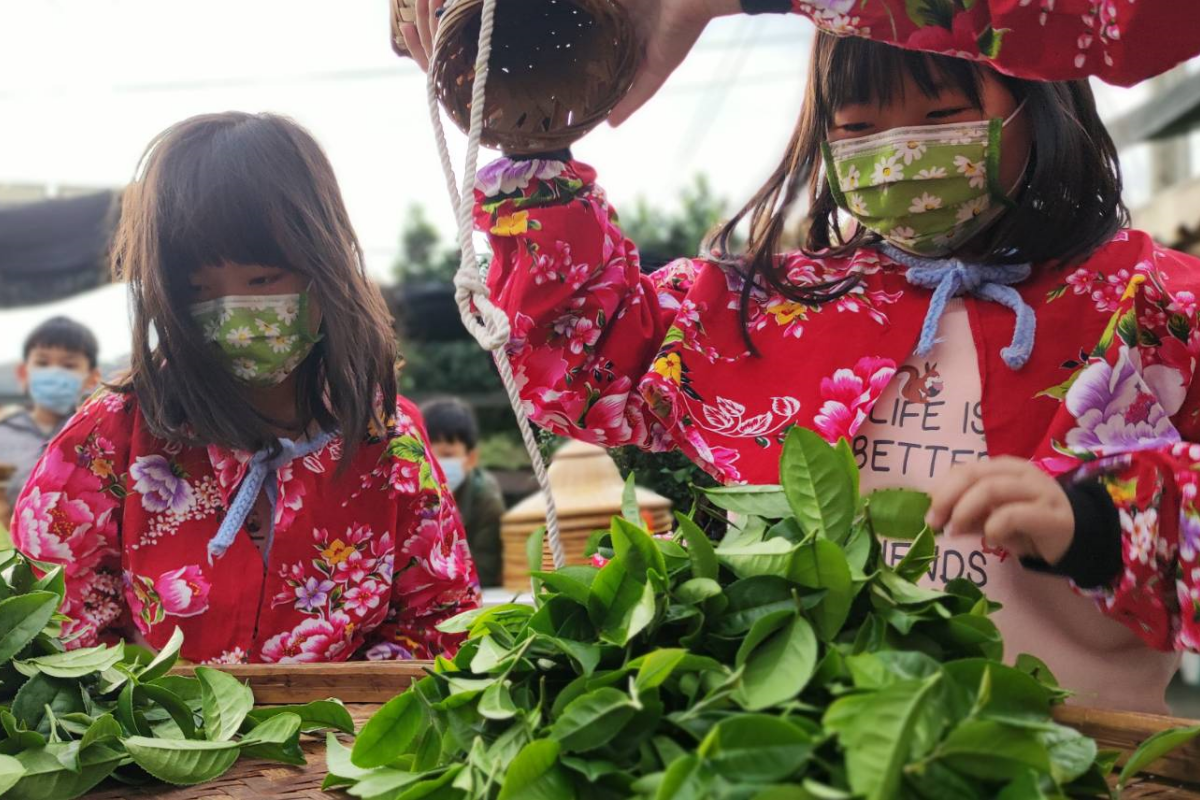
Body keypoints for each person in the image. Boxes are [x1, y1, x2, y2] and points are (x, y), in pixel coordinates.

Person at [404, 3, 1200, 712]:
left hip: (1089, 757)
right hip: (815, 755)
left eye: (940, 113)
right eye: (858, 129)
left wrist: (1098, 524)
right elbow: (590, 358)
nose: (898, 153)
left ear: (1045, 93)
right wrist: (535, 147)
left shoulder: (1157, 308)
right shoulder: (771, 308)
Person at [10, 112, 479, 664]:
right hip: (157, 741)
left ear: (323, 269)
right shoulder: (108, 440)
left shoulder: (385, 438)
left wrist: (331, 718)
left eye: (262, 280)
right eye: (196, 288)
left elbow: (439, 623)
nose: (234, 311)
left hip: (347, 742)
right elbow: (50, 626)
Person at [0, 317, 100, 510]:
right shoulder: (3, 434)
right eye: (42, 363)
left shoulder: (97, 436)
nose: (54, 372)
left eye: (69, 366)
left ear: (92, 379)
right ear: (23, 373)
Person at [421, 397, 506, 588]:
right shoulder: (414, 495)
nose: (435, 464)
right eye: (427, 455)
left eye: (447, 455)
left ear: (471, 458)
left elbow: (485, 571)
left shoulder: (486, 503)